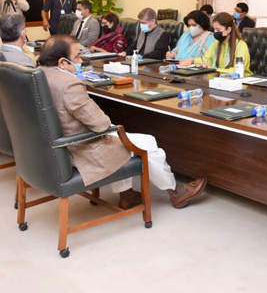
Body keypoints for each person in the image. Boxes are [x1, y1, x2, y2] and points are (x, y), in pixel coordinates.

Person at [37, 35, 208, 209]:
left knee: (120, 137)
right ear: (62, 63)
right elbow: (101, 125)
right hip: (80, 149)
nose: (81, 60)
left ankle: (127, 194)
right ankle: (176, 191)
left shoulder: (38, 76)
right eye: (76, 58)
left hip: (53, 147)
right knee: (146, 141)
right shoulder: (69, 85)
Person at [179, 12, 252, 76]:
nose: (215, 32)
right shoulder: (216, 43)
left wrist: (215, 69)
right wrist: (192, 60)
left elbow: (237, 70)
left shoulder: (240, 45)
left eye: (218, 30)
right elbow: (207, 58)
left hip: (241, 82)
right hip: (221, 79)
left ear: (228, 29)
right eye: (214, 29)